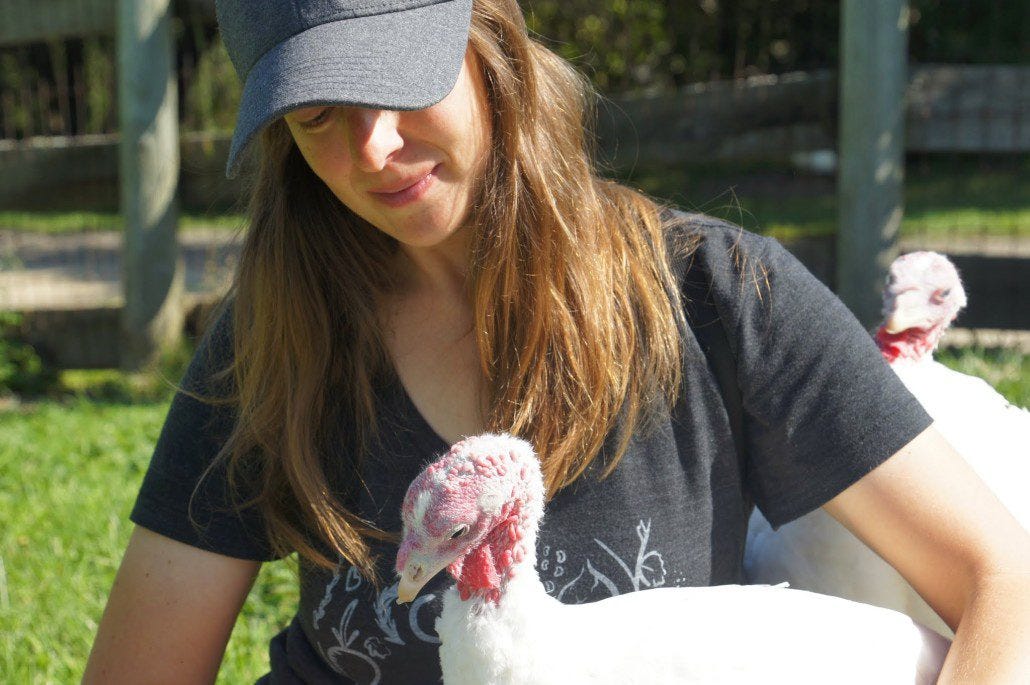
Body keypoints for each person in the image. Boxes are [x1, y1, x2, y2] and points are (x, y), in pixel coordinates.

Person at [84, 0, 1030, 682]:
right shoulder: (276, 338)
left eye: (393, 83)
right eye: (317, 115)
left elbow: (1005, 579)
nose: (369, 148)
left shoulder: (717, 298)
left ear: (488, 35)